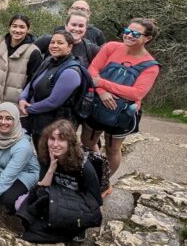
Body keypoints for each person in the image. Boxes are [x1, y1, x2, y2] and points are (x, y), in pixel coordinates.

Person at [82, 19, 161, 181]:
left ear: (147, 38)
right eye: (127, 31)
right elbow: (93, 70)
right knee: (87, 140)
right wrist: (102, 92)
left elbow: (136, 93)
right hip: (97, 104)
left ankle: (103, 181)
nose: (129, 36)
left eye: (136, 34)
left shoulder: (151, 66)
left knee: (112, 149)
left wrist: (102, 83)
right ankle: (96, 168)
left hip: (123, 113)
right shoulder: (111, 47)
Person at [17, 120, 102, 243]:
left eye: (61, 140)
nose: (55, 144)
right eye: (52, 139)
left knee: (36, 234)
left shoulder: (84, 166)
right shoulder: (47, 156)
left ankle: (76, 230)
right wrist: (51, 168)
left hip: (77, 204)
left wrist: (83, 221)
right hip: (56, 198)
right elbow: (41, 188)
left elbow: (96, 201)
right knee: (28, 210)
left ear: (70, 143)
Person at [19, 31, 87, 141]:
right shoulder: (48, 61)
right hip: (39, 121)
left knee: (51, 156)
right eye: (52, 42)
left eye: (60, 43)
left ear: (70, 47)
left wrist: (29, 108)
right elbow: (33, 82)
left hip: (57, 126)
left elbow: (53, 102)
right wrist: (22, 98)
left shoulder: (71, 72)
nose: (55, 45)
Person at [0, 14, 42, 120]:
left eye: (22, 27)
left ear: (28, 29)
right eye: (14, 26)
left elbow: (33, 82)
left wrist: (24, 103)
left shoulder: (33, 52)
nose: (17, 30)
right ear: (9, 27)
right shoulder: (2, 45)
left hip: (17, 109)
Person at [34, 11, 100, 67]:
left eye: (81, 26)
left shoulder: (92, 50)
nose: (77, 29)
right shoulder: (48, 41)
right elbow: (28, 55)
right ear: (66, 26)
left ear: (85, 29)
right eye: (73, 25)